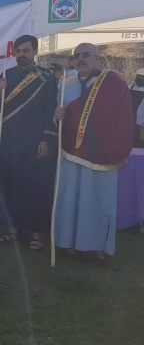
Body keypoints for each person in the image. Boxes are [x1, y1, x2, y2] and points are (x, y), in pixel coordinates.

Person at [54, 43, 133, 263]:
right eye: (77, 55)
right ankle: (69, 242)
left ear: (97, 58)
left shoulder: (114, 84)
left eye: (86, 55)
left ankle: (100, 247)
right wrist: (57, 116)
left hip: (101, 154)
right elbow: (58, 118)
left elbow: (123, 120)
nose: (81, 59)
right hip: (71, 151)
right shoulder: (65, 85)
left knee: (99, 200)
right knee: (71, 199)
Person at [0, 35, 58, 250]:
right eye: (18, 51)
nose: (21, 55)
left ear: (35, 52)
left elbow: (51, 109)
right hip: (10, 140)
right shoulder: (6, 75)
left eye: (26, 50)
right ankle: (12, 229)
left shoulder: (46, 77)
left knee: (34, 187)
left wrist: (47, 139)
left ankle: (36, 232)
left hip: (34, 140)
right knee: (10, 185)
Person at [129, 68, 144, 147]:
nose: (140, 78)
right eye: (139, 76)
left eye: (142, 77)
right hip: (129, 118)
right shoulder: (129, 87)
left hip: (141, 123)